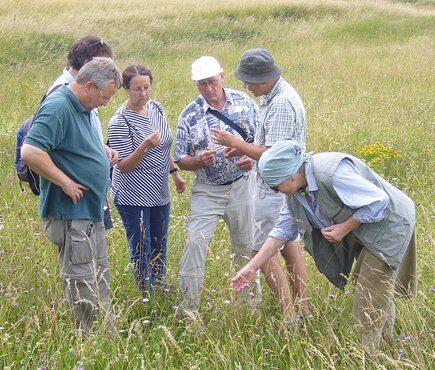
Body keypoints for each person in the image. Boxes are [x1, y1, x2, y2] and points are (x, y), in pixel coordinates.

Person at [231, 139, 417, 354]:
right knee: (373, 287)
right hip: (366, 229)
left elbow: (378, 201)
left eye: (275, 186)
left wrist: (345, 227)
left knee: (369, 292)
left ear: (290, 175)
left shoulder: (332, 173)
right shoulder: (296, 193)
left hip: (389, 225)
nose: (275, 191)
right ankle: (386, 344)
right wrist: (252, 267)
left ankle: (369, 355)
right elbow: (281, 232)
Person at [21, 57, 123, 333]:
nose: (105, 103)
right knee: (81, 279)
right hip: (71, 212)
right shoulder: (58, 107)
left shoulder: (83, 106)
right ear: (89, 86)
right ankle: (88, 338)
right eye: (105, 97)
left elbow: (71, 142)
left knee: (99, 274)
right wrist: (65, 182)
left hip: (90, 210)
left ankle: (105, 334)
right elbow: (30, 152)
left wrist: (100, 148)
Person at [212, 48, 309, 321]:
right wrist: (245, 153)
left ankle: (289, 317)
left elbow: (272, 155)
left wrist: (236, 144)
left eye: (248, 81)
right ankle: (303, 309)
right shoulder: (277, 94)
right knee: (290, 245)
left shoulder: (279, 104)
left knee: (261, 252)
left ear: (264, 79)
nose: (244, 86)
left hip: (274, 188)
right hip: (284, 184)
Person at [174, 55, 260, 311]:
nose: (208, 89)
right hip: (207, 190)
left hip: (243, 184)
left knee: (246, 246)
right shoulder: (189, 114)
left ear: (222, 76)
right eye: (201, 84)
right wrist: (199, 160)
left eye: (212, 82)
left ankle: (250, 307)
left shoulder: (245, 103)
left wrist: (250, 159)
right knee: (194, 243)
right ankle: (189, 310)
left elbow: (262, 143)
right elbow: (181, 159)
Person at [107, 64, 186, 296]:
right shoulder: (120, 121)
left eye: (146, 88)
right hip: (133, 194)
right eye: (137, 89)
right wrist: (144, 146)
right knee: (142, 247)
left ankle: (160, 288)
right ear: (125, 89)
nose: (143, 94)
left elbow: (164, 146)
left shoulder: (156, 108)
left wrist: (175, 174)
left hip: (159, 190)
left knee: (160, 243)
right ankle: (145, 294)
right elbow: (122, 166)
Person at [49, 35, 118, 229]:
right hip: (73, 203)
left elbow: (78, 133)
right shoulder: (61, 94)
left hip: (90, 196)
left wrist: (100, 147)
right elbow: (39, 149)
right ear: (88, 64)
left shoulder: (89, 89)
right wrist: (66, 183)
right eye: (105, 67)